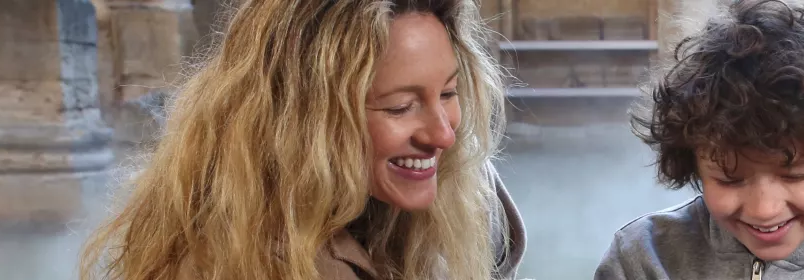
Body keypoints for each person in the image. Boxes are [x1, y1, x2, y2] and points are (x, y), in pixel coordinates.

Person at [78, 1, 525, 279]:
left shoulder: (461, 188)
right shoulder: (240, 260)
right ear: (304, 119)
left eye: (448, 93)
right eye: (399, 107)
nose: (443, 135)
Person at [594, 0, 804, 278]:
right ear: (693, 165)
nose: (764, 210)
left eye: (795, 175)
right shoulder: (642, 258)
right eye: (729, 179)